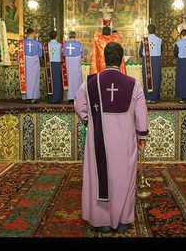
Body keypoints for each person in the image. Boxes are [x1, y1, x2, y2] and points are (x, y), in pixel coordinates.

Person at [74, 42, 149, 233]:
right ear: (122, 59)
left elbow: (78, 104)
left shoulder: (90, 83)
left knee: (99, 176)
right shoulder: (134, 85)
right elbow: (141, 113)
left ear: (103, 58)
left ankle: (101, 221)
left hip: (99, 139)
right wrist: (142, 135)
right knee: (123, 177)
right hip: (124, 142)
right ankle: (123, 220)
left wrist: (89, 121)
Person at [139, 24, 163, 103]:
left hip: (147, 61)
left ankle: (148, 98)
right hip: (156, 60)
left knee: (147, 78)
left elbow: (140, 52)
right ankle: (155, 98)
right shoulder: (159, 40)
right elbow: (161, 50)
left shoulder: (144, 40)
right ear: (155, 30)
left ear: (148, 30)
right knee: (156, 78)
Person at [22, 28, 42, 104]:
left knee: (26, 79)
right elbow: (40, 54)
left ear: (27, 34)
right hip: (35, 61)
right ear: (33, 33)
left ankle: (27, 97)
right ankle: (34, 97)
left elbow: (19, 54)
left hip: (25, 62)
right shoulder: (37, 43)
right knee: (35, 79)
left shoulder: (22, 42)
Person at [63, 31, 84, 104]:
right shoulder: (79, 44)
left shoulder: (65, 44)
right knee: (76, 80)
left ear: (69, 36)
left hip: (68, 65)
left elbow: (63, 54)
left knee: (69, 80)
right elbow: (82, 55)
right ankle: (76, 97)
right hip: (76, 65)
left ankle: (69, 98)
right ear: (75, 36)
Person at [44, 30, 63, 104]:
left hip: (49, 65)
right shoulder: (60, 45)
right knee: (57, 82)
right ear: (56, 37)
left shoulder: (46, 45)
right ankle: (58, 99)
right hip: (58, 65)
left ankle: (51, 99)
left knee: (50, 81)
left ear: (49, 37)